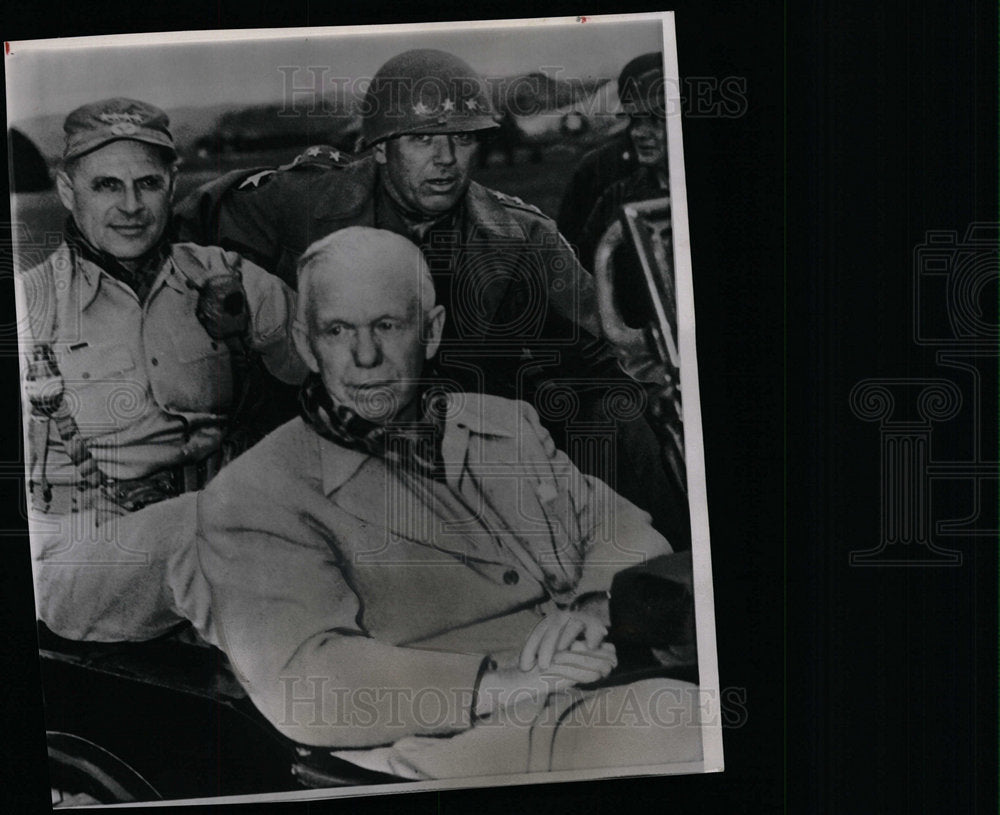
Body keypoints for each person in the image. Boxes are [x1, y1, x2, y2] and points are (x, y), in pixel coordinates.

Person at [189, 227, 702, 778]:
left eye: (388, 325)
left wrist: (593, 603)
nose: (366, 356)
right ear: (305, 343)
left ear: (430, 332)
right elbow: (305, 685)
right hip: (451, 741)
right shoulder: (255, 494)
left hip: (600, 684)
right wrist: (498, 685)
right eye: (337, 330)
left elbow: (623, 525)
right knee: (682, 726)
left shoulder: (505, 423)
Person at [174, 48, 688, 547]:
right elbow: (182, 227)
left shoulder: (521, 234)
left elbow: (607, 347)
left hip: (461, 444)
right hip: (320, 432)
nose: (445, 160)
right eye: (422, 138)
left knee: (625, 415)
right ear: (379, 147)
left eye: (462, 139)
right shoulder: (300, 203)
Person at [16, 98, 307, 642]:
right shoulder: (28, 311)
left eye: (147, 183)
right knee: (209, 524)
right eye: (106, 186)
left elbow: (325, 366)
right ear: (66, 191)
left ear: (172, 185)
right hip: (89, 566)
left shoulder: (224, 277)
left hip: (224, 537)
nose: (131, 206)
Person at [554, 52, 663, 251]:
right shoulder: (605, 176)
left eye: (657, 119)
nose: (639, 133)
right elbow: (572, 253)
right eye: (635, 119)